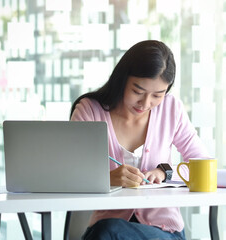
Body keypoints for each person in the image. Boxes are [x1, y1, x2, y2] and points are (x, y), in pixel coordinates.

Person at [70, 40, 209, 239]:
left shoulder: (171, 109)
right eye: (138, 91)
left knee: (107, 232)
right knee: (107, 230)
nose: (145, 103)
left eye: (157, 95)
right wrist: (107, 179)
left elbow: (202, 163)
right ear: (122, 79)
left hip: (164, 231)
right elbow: (71, 173)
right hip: (105, 230)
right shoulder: (90, 110)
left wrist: (165, 172)